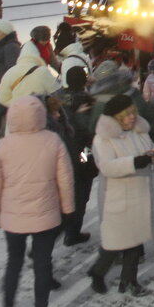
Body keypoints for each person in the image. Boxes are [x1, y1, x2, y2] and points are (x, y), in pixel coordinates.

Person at [0, 96, 75, 307]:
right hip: (46, 215)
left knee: (13, 262)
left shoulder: (3, 146)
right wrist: (68, 209)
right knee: (43, 264)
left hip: (13, 217)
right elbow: (65, 179)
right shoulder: (53, 141)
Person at [89, 94, 154, 296]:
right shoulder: (103, 138)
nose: (133, 117)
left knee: (135, 242)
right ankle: (97, 272)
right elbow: (106, 166)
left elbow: (151, 147)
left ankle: (129, 281)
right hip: (119, 198)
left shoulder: (139, 131)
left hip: (140, 195)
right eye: (128, 114)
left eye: (134, 112)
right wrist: (133, 163)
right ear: (117, 117)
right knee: (114, 244)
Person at [57, 66, 96, 246]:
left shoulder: (57, 98)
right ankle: (72, 233)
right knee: (81, 193)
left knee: (62, 193)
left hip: (60, 152)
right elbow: (90, 128)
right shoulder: (88, 100)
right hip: (83, 152)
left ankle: (58, 230)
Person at [0, 41, 60, 109]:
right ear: (36, 55)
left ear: (21, 55)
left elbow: (3, 98)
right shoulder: (43, 71)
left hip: (18, 114)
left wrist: (18, 104)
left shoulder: (9, 73)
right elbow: (57, 93)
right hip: (41, 114)